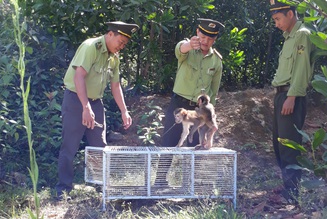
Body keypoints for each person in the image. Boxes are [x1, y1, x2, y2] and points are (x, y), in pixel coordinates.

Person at [56, 21, 139, 199]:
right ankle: (63, 188)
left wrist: (124, 111)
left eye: (125, 44)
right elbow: (79, 76)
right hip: (75, 101)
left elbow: (116, 86)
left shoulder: (114, 58)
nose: (122, 47)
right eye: (120, 42)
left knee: (99, 146)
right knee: (69, 146)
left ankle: (99, 186)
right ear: (110, 34)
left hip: (96, 103)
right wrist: (85, 107)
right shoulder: (91, 47)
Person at [155, 18, 224, 185]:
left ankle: (189, 185)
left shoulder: (217, 60)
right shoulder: (187, 48)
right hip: (179, 105)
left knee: (196, 144)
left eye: (210, 39)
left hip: (200, 110)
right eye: (203, 37)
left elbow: (213, 93)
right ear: (198, 33)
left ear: (215, 39)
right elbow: (180, 50)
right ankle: (159, 181)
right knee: (169, 142)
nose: (206, 42)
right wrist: (189, 44)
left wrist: (210, 119)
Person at [269, 0, 314, 204]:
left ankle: (292, 194)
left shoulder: (302, 34)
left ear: (289, 14)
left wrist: (292, 97)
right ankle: (288, 186)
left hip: (291, 96)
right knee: (279, 144)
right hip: (282, 95)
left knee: (290, 146)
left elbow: (302, 70)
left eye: (278, 18)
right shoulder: (288, 38)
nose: (276, 23)